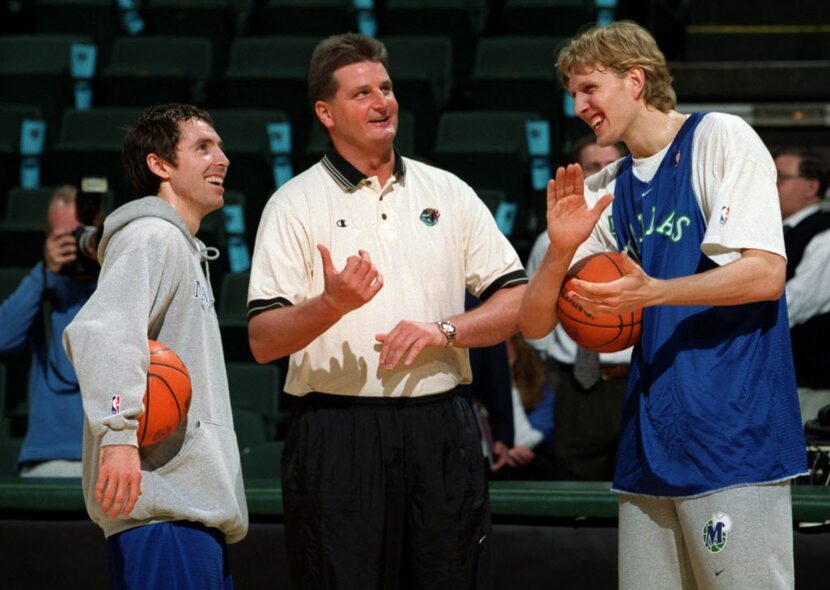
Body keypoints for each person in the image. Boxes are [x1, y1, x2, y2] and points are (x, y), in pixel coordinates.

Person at [519, 21, 806, 589]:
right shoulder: (607, 185)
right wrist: (559, 251)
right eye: (572, 94)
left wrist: (653, 292)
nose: (578, 106)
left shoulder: (720, 138)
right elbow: (533, 325)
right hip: (650, 439)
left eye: (589, 89)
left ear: (635, 79)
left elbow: (766, 274)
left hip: (734, 436)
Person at [247, 33, 527, 590]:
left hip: (442, 425)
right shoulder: (293, 204)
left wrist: (445, 330)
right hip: (336, 433)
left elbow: (516, 301)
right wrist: (331, 306)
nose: (383, 102)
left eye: (387, 88)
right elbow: (262, 341)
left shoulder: (447, 191)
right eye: (362, 93)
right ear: (325, 112)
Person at [63, 104, 248, 589]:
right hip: (165, 508)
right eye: (203, 147)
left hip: (185, 508)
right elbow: (101, 332)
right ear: (159, 165)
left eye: (221, 146)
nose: (222, 159)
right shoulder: (151, 237)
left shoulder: (179, 245)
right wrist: (120, 436)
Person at [526, 135, 628, 481]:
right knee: (577, 493)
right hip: (574, 385)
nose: (602, 175)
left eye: (610, 167)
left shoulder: (645, 233)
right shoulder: (549, 242)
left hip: (637, 380)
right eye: (592, 167)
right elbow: (534, 314)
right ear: (578, 175)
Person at [0, 185, 96, 477]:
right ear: (48, 238)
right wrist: (44, 272)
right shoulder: (43, 287)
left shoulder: (122, 285)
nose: (76, 243)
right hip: (50, 455)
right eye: (65, 237)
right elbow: (3, 338)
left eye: (84, 233)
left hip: (112, 457)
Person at [775, 148, 830, 424]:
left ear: (812, 186)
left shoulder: (825, 235)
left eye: (780, 178)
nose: (771, 186)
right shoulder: (772, 234)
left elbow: (792, 304)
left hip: (812, 385)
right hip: (780, 382)